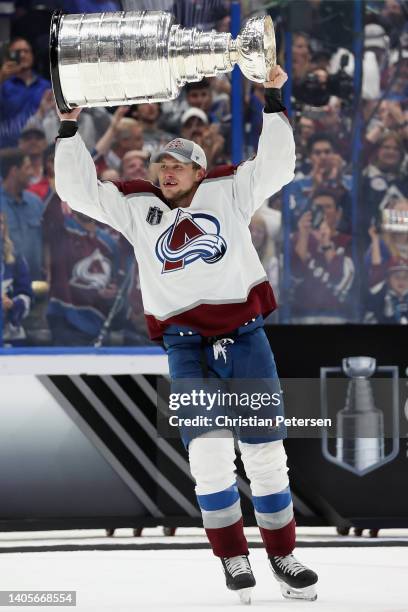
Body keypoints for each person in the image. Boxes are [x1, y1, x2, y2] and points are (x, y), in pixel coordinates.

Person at [54, 65, 318, 603]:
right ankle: (233, 559)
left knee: (266, 453)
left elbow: (278, 165)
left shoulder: (229, 190)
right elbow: (77, 190)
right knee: (211, 456)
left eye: (178, 165)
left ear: (199, 172)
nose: (166, 171)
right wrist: (67, 128)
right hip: (185, 345)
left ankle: (283, 555)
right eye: (161, 165)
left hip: (245, 337)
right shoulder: (136, 207)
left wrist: (272, 97)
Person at [0, 148, 44, 280]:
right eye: (27, 168)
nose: (32, 173)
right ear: (14, 171)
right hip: (7, 290)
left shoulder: (36, 203)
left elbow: (47, 241)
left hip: (37, 285)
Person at [0, 37, 51, 147]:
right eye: (17, 52)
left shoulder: (45, 86)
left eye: (26, 51)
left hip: (39, 149)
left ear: (32, 56)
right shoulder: (3, 84)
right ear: (9, 57)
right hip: (6, 151)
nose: (22, 55)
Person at [0, 211, 32, 345]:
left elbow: (26, 295)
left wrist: (13, 304)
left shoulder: (15, 258)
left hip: (11, 336)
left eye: (1, 222)